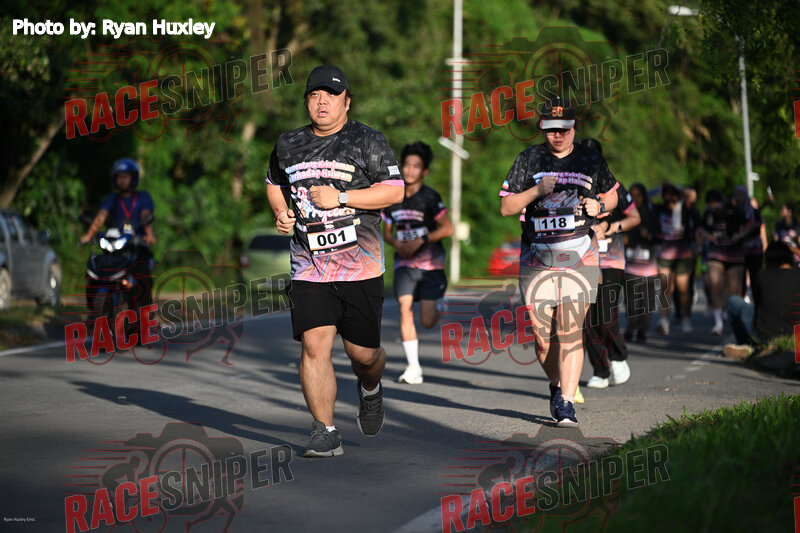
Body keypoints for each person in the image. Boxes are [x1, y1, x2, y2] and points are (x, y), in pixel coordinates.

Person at [266, 66, 405, 458]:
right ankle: (325, 430)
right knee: (314, 346)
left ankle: (370, 387)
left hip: (360, 266)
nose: (322, 101)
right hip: (309, 264)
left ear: (347, 101)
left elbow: (395, 191)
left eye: (331, 94)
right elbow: (275, 184)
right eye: (314, 94)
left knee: (364, 356)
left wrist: (341, 198)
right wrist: (281, 213)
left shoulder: (368, 140)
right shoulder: (289, 143)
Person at [499, 97, 619, 427]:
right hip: (537, 256)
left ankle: (566, 401)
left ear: (574, 128)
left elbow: (613, 195)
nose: (558, 135)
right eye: (551, 129)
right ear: (542, 129)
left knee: (569, 329)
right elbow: (506, 208)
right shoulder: (529, 159)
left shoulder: (590, 158)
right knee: (542, 338)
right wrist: (536, 191)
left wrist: (599, 206)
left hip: (580, 253)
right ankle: (557, 385)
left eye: (563, 129)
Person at [382, 141, 453, 384]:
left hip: (431, 265)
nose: (410, 170)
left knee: (427, 321)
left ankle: (440, 303)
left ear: (424, 171)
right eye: (407, 165)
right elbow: (387, 232)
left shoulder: (430, 197)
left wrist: (421, 240)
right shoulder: (393, 196)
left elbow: (447, 228)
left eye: (416, 166)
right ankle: (413, 368)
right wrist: (397, 243)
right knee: (404, 308)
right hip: (404, 265)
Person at [581, 140, 640, 389]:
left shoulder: (616, 188)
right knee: (586, 319)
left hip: (610, 260)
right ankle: (600, 370)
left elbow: (635, 218)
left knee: (605, 313)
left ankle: (618, 357)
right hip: (582, 260)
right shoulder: (572, 187)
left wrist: (612, 227)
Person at [80, 158, 156, 310]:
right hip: (115, 247)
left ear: (133, 178)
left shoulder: (143, 197)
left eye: (125, 177)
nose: (122, 180)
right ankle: (94, 311)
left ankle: (146, 313)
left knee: (143, 275)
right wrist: (88, 236)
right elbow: (100, 218)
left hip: (136, 246)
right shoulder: (112, 198)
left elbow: (146, 216)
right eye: (119, 177)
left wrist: (149, 234)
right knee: (95, 267)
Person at [722, 241, 800, 358]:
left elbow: (759, 303)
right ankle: (792, 350)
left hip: (765, 335)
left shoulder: (762, 275)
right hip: (796, 336)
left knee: (733, 301)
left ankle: (748, 345)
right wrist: (793, 249)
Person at [698, 188, 755, 335]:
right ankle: (718, 323)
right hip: (715, 252)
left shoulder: (735, 211)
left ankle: (734, 318)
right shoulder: (708, 214)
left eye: (716, 204)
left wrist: (740, 235)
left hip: (734, 253)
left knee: (734, 290)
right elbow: (700, 229)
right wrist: (706, 236)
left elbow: (751, 223)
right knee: (715, 285)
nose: (714, 208)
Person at [654, 183, 699, 335]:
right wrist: (660, 189)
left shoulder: (686, 210)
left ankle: (686, 318)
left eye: (673, 197)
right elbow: (643, 197)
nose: (670, 201)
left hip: (683, 254)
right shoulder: (659, 210)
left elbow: (691, 195)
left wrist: (676, 190)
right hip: (665, 254)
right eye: (667, 197)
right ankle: (664, 321)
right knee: (666, 289)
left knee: (683, 290)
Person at [623, 183, 663, 344]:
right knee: (632, 305)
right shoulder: (624, 215)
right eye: (632, 196)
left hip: (649, 269)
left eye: (638, 196)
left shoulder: (651, 216)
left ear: (644, 197)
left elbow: (660, 237)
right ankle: (631, 327)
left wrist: (649, 236)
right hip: (630, 268)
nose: (636, 199)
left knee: (647, 304)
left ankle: (642, 331)